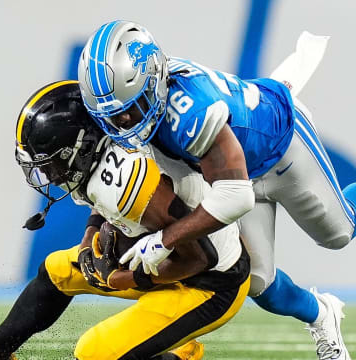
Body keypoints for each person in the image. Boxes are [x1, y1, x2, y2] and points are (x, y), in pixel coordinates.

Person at [77, 20, 355, 360]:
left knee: (340, 234)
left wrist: (164, 240)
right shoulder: (143, 104)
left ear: (152, 81)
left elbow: (236, 196)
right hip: (234, 174)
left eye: (128, 110)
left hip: (282, 147)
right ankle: (323, 313)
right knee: (259, 283)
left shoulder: (190, 111)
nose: (124, 125)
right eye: (113, 117)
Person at [0, 80, 250, 360]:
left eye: (50, 164)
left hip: (211, 282)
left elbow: (199, 258)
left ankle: (180, 355)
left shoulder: (129, 182)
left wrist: (124, 278)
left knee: (95, 353)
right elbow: (100, 201)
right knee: (58, 271)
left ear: (78, 149)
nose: (49, 175)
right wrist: (87, 242)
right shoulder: (98, 155)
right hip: (161, 253)